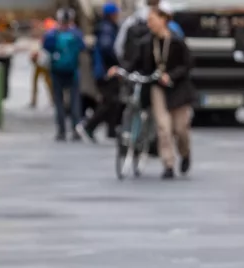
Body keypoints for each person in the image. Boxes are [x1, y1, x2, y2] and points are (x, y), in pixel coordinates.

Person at [124, 1, 194, 179]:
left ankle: (185, 153)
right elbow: (135, 63)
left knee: (180, 129)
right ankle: (168, 164)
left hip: (178, 89)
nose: (149, 24)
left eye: (152, 20)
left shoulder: (176, 41)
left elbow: (187, 64)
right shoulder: (146, 43)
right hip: (157, 87)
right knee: (163, 127)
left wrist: (171, 75)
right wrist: (121, 71)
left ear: (163, 20)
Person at [77, 3, 122, 141]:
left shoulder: (104, 27)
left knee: (112, 100)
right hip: (105, 71)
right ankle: (88, 126)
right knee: (109, 101)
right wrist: (116, 63)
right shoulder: (107, 29)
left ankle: (110, 130)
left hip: (102, 70)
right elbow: (106, 48)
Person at [42, 8, 86, 141]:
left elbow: (46, 46)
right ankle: (75, 129)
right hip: (73, 72)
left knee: (59, 102)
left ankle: (61, 131)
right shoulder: (76, 34)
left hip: (56, 71)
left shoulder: (53, 34)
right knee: (74, 102)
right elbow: (82, 47)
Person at [115, 0, 185, 67]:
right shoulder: (146, 40)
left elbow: (183, 64)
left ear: (163, 19)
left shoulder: (175, 36)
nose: (149, 25)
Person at [29, 18, 56, 108]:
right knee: (38, 81)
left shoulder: (49, 35)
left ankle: (52, 99)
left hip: (44, 62)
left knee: (47, 81)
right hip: (40, 62)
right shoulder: (46, 35)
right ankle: (35, 100)